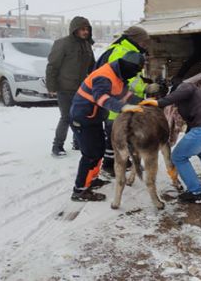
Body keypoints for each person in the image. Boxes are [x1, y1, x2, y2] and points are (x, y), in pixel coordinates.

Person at [69, 51, 145, 202]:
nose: (134, 75)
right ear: (128, 67)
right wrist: (122, 108)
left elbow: (124, 95)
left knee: (98, 150)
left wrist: (142, 102)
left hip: (94, 117)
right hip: (82, 118)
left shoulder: (118, 76)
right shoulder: (104, 75)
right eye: (134, 71)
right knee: (90, 154)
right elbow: (102, 98)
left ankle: (92, 180)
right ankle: (80, 191)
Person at [139, 82, 201, 204]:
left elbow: (185, 90)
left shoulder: (185, 86)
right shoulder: (192, 100)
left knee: (178, 157)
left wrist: (159, 103)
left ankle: (196, 192)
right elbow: (191, 123)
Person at [94, 26, 160, 177]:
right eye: (144, 41)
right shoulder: (122, 52)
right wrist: (146, 88)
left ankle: (121, 162)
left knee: (121, 134)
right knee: (114, 135)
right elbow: (127, 79)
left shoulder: (125, 49)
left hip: (119, 100)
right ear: (136, 40)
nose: (146, 44)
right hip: (114, 103)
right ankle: (110, 165)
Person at [46, 16, 96, 157]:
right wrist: (51, 86)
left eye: (87, 29)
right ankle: (57, 146)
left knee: (80, 117)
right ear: (75, 30)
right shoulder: (63, 44)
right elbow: (52, 66)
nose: (85, 32)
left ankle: (77, 142)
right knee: (66, 117)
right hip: (65, 88)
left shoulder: (87, 45)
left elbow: (92, 66)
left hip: (82, 89)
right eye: (82, 29)